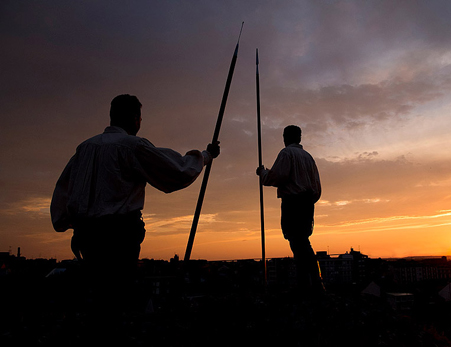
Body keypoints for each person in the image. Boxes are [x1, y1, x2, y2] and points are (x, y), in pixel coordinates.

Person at [50, 94, 219, 321]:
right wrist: (206, 156)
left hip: (87, 237)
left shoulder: (84, 148)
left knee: (98, 299)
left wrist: (64, 221)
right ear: (134, 118)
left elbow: (63, 190)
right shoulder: (132, 146)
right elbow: (176, 170)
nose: (141, 123)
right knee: (117, 299)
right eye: (140, 118)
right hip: (118, 237)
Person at [257, 125, 324, 295]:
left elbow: (278, 176)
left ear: (285, 137)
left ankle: (312, 285)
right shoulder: (308, 157)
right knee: (301, 241)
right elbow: (316, 186)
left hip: (294, 202)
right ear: (299, 138)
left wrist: (263, 173)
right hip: (307, 202)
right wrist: (309, 201)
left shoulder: (286, 153)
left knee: (298, 242)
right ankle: (311, 283)